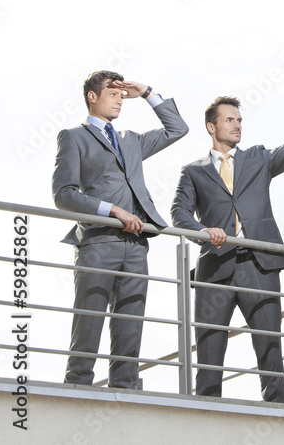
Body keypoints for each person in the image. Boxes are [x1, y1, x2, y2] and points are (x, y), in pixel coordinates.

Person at [170, 96, 284, 403]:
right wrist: (202, 232)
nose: (236, 125)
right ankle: (204, 417)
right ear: (211, 127)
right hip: (214, 269)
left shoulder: (258, 158)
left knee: (270, 348)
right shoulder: (192, 171)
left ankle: (278, 414)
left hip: (260, 266)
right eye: (229, 120)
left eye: (239, 120)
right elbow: (179, 213)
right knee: (209, 352)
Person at [53, 71, 189, 388]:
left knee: (131, 320)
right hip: (98, 240)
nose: (119, 100)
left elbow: (177, 129)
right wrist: (111, 210)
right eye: (112, 93)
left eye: (121, 94)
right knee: (90, 314)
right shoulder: (74, 137)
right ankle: (77, 384)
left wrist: (146, 93)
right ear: (92, 96)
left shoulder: (132, 140)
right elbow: (64, 194)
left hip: (137, 243)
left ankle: (125, 387)